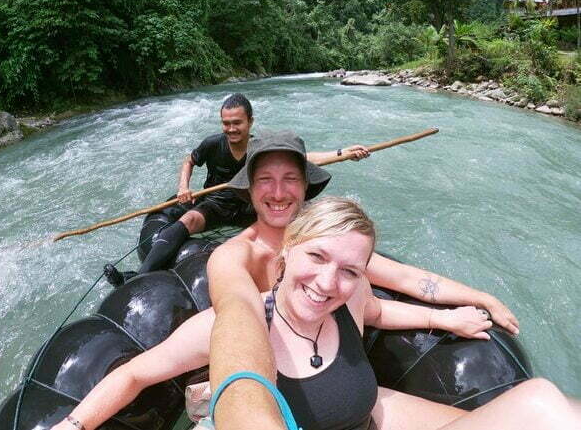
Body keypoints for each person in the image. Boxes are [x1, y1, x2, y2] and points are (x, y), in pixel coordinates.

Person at [49, 198, 580, 430]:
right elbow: (139, 371)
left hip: (367, 416)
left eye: (349, 270)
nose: (329, 283)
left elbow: (379, 313)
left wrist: (452, 318)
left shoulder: (350, 297)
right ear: (285, 254)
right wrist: (72, 424)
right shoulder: (234, 326)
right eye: (317, 258)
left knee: (540, 401)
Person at [205, 131, 521, 430]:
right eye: (265, 180)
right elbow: (238, 312)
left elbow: (402, 280)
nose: (277, 192)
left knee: (527, 410)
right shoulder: (232, 257)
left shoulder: (332, 242)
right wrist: (245, 411)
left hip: (343, 381)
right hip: (282, 383)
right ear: (250, 189)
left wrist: (480, 299)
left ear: (304, 188)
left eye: (290, 179)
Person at [107, 94, 370, 286]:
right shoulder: (213, 144)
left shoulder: (259, 148)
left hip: (249, 204)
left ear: (250, 122)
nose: (231, 129)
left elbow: (302, 158)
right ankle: (139, 277)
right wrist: (183, 187)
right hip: (217, 203)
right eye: (226, 123)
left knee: (294, 220)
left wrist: (342, 153)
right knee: (189, 219)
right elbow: (189, 160)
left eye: (237, 123)